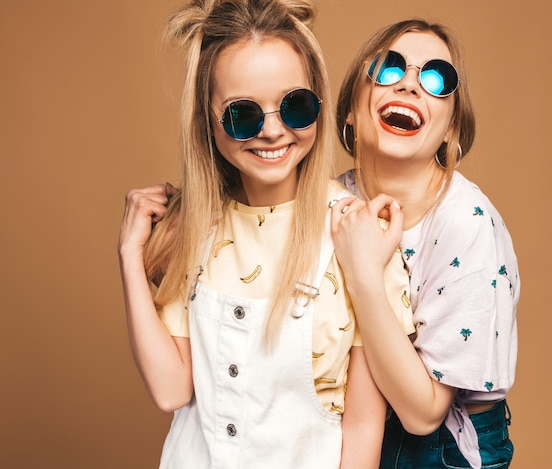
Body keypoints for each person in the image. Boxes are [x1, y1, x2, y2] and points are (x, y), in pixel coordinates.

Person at [117, 1, 414, 467]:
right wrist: (131, 255)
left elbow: (362, 426)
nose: (273, 132)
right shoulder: (193, 227)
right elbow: (170, 388)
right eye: (243, 114)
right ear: (207, 123)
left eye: (295, 107)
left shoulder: (359, 235)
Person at [329, 19, 520, 469]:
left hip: (442, 447)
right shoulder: (334, 203)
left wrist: (363, 276)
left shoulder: (466, 224)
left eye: (437, 79)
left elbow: (423, 413)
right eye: (389, 69)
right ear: (351, 111)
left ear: (452, 130)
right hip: (353, 429)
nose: (412, 84)